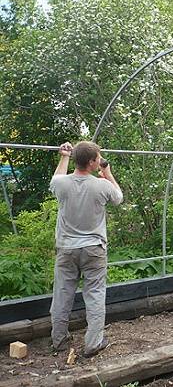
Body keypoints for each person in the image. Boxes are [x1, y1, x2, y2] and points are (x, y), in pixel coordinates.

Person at [49, 141, 123, 357]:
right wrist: (107, 172)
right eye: (98, 158)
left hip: (66, 249)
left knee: (62, 294)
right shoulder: (101, 185)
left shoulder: (62, 184)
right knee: (95, 295)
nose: (99, 161)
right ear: (92, 162)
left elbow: (56, 180)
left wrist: (64, 157)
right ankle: (93, 343)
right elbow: (119, 198)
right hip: (94, 250)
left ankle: (59, 340)